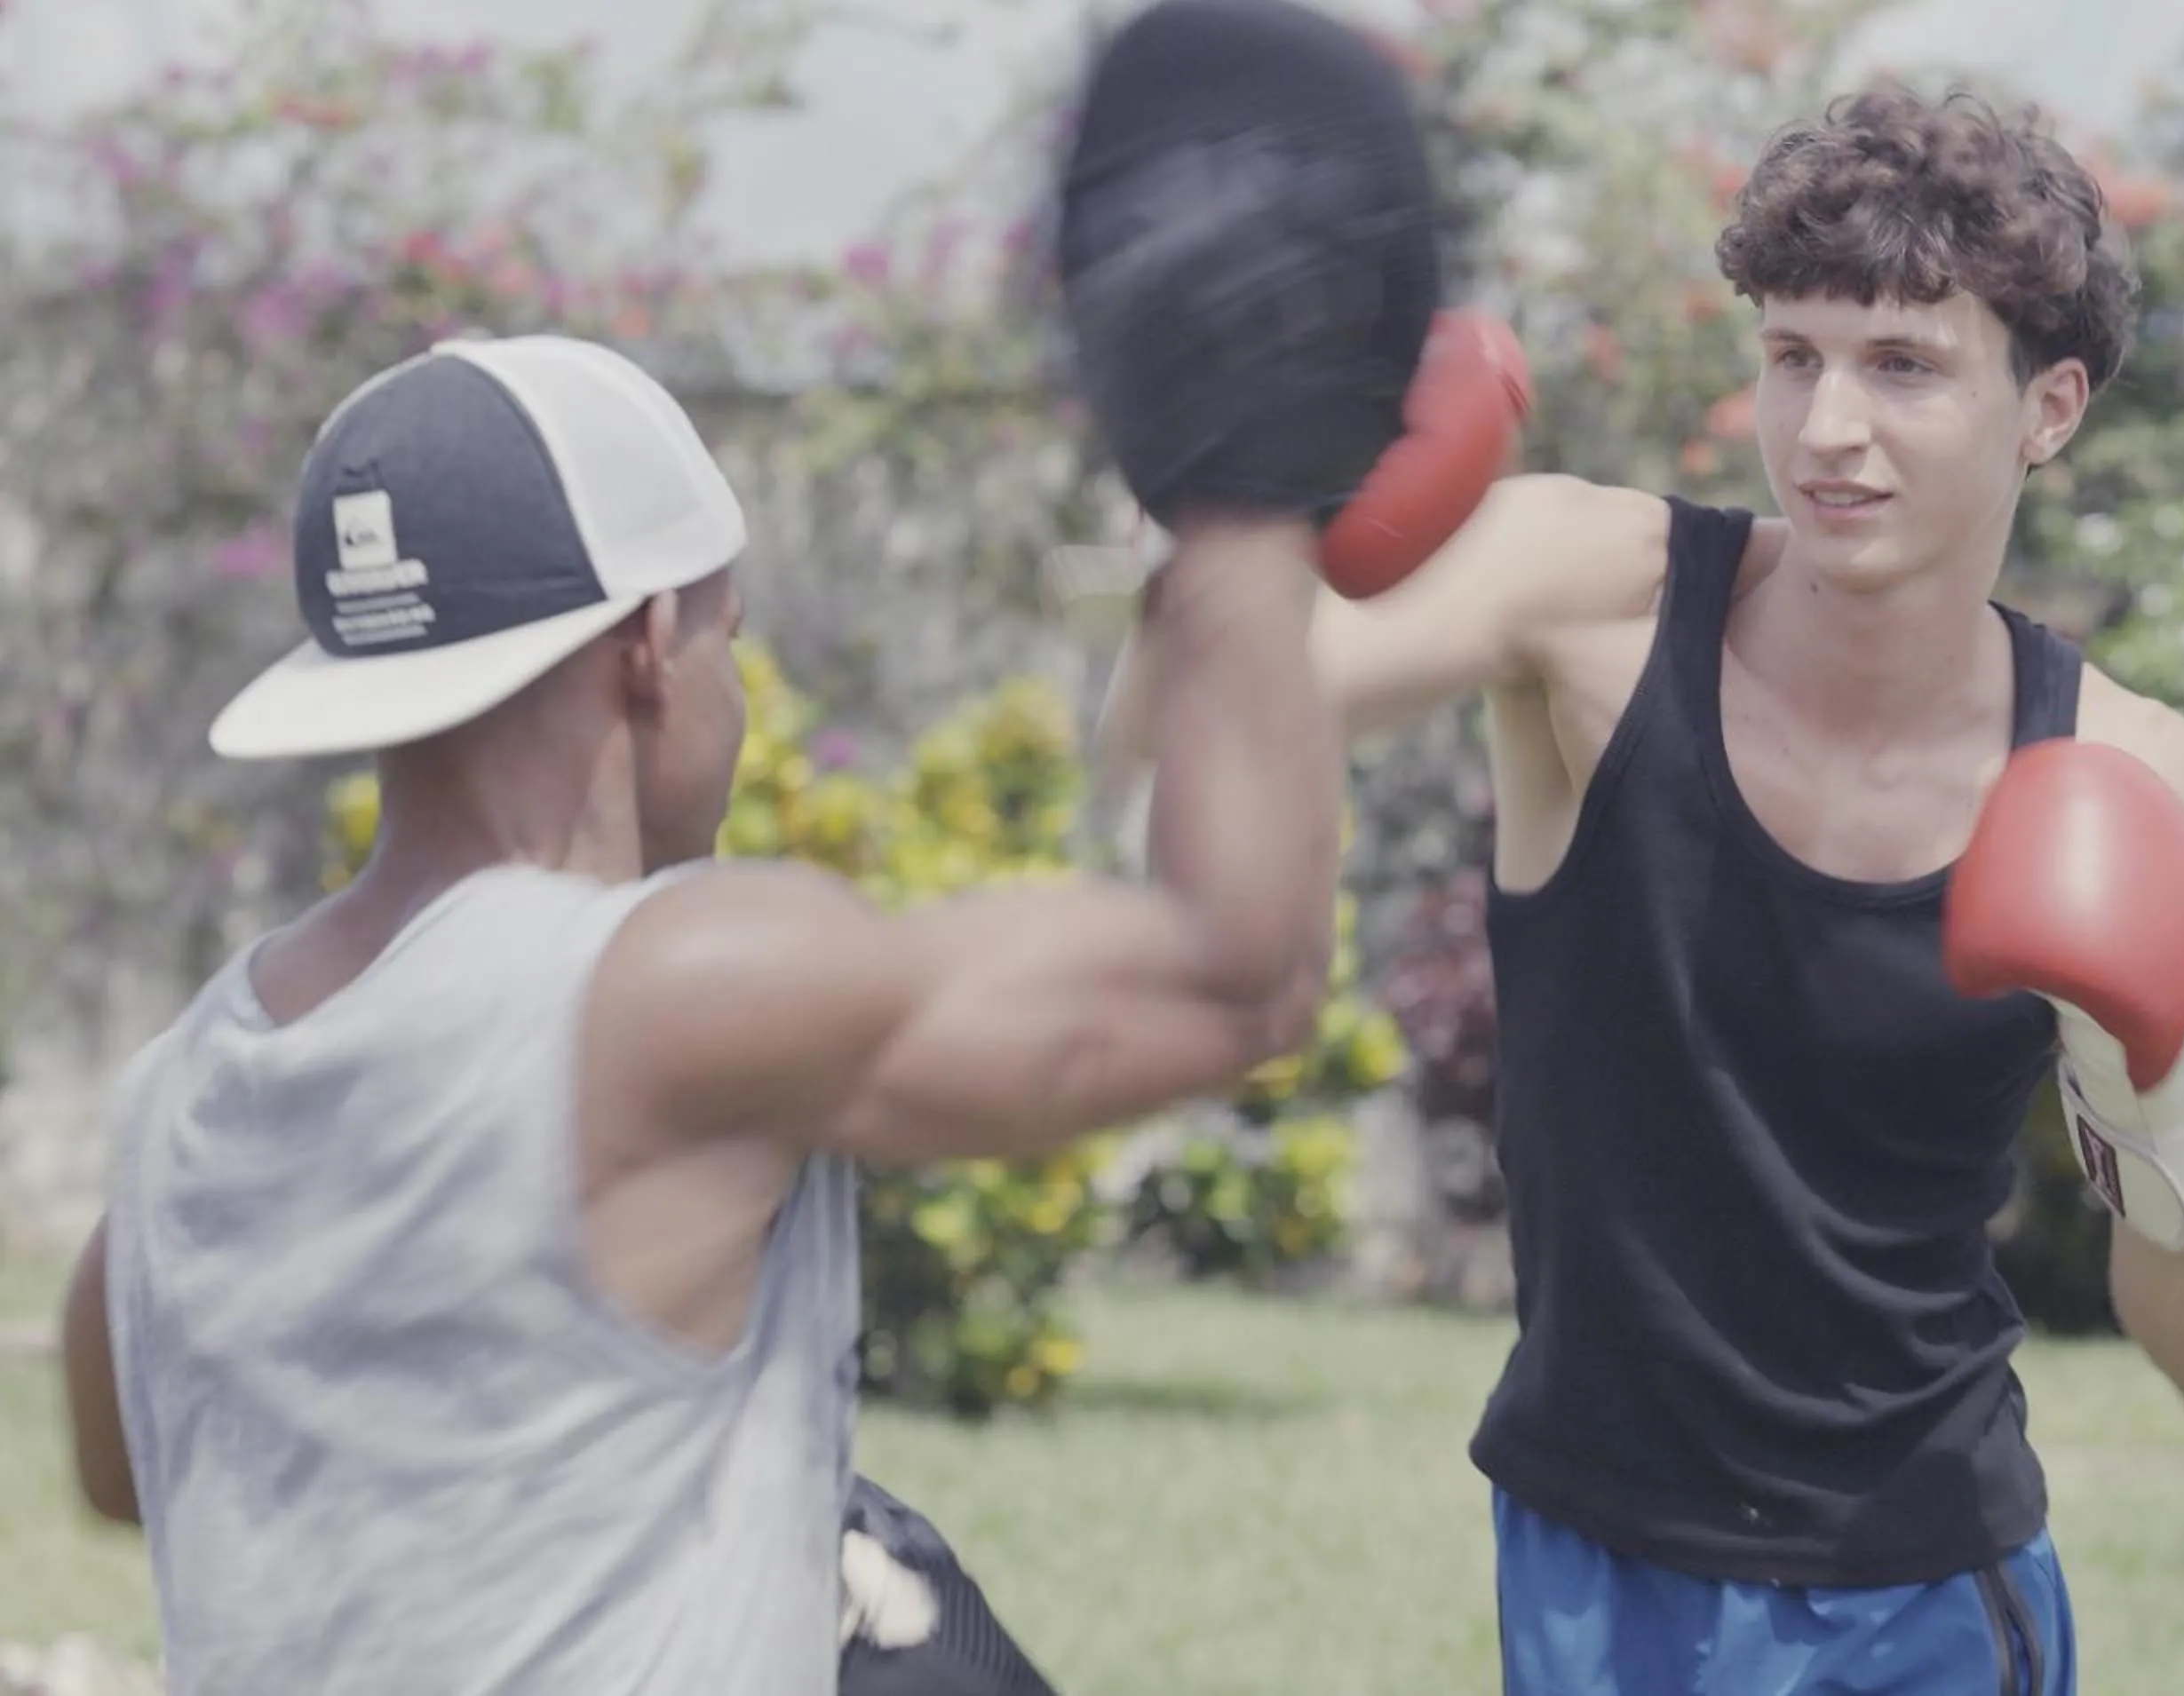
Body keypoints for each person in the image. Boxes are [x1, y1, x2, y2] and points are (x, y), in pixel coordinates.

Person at [51, 3, 1519, 1691]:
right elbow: (1238, 977)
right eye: (730, 636)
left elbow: (117, 1468)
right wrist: (1243, 507)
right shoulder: (676, 990)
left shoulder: (183, 1100)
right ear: (645, 647)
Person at [1093, 83, 2184, 1695]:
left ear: (2051, 406)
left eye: (1903, 367)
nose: (1825, 431)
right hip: (1588, 1559)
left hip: (1922, 1589)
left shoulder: (2138, 780)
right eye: (1792, 355)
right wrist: (1253, 500)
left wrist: (2168, 1125)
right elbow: (1165, 753)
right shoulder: (1584, 597)